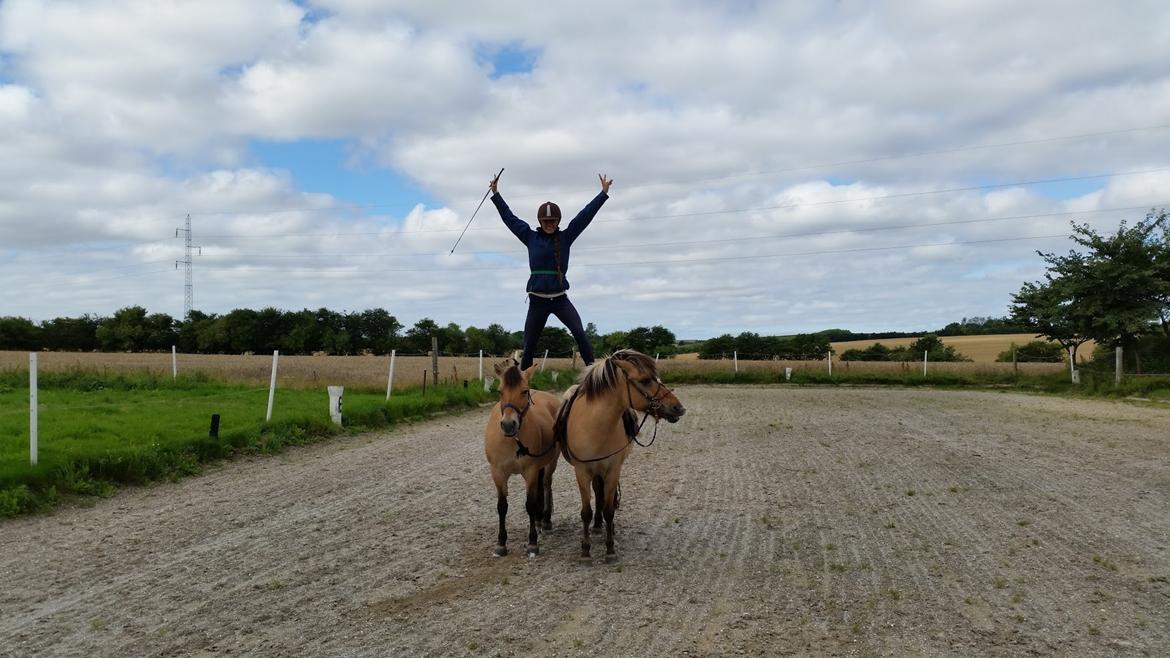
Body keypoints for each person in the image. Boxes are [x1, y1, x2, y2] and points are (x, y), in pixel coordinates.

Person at [490, 173, 612, 370]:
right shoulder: (529, 236)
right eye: (545, 221)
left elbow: (584, 216)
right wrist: (496, 195)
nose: (549, 224)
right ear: (540, 221)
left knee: (580, 333)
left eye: (553, 221)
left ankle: (595, 375)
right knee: (529, 345)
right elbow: (509, 218)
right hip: (537, 301)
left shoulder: (566, 237)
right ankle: (523, 385)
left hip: (560, 299)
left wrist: (603, 194)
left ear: (558, 221)